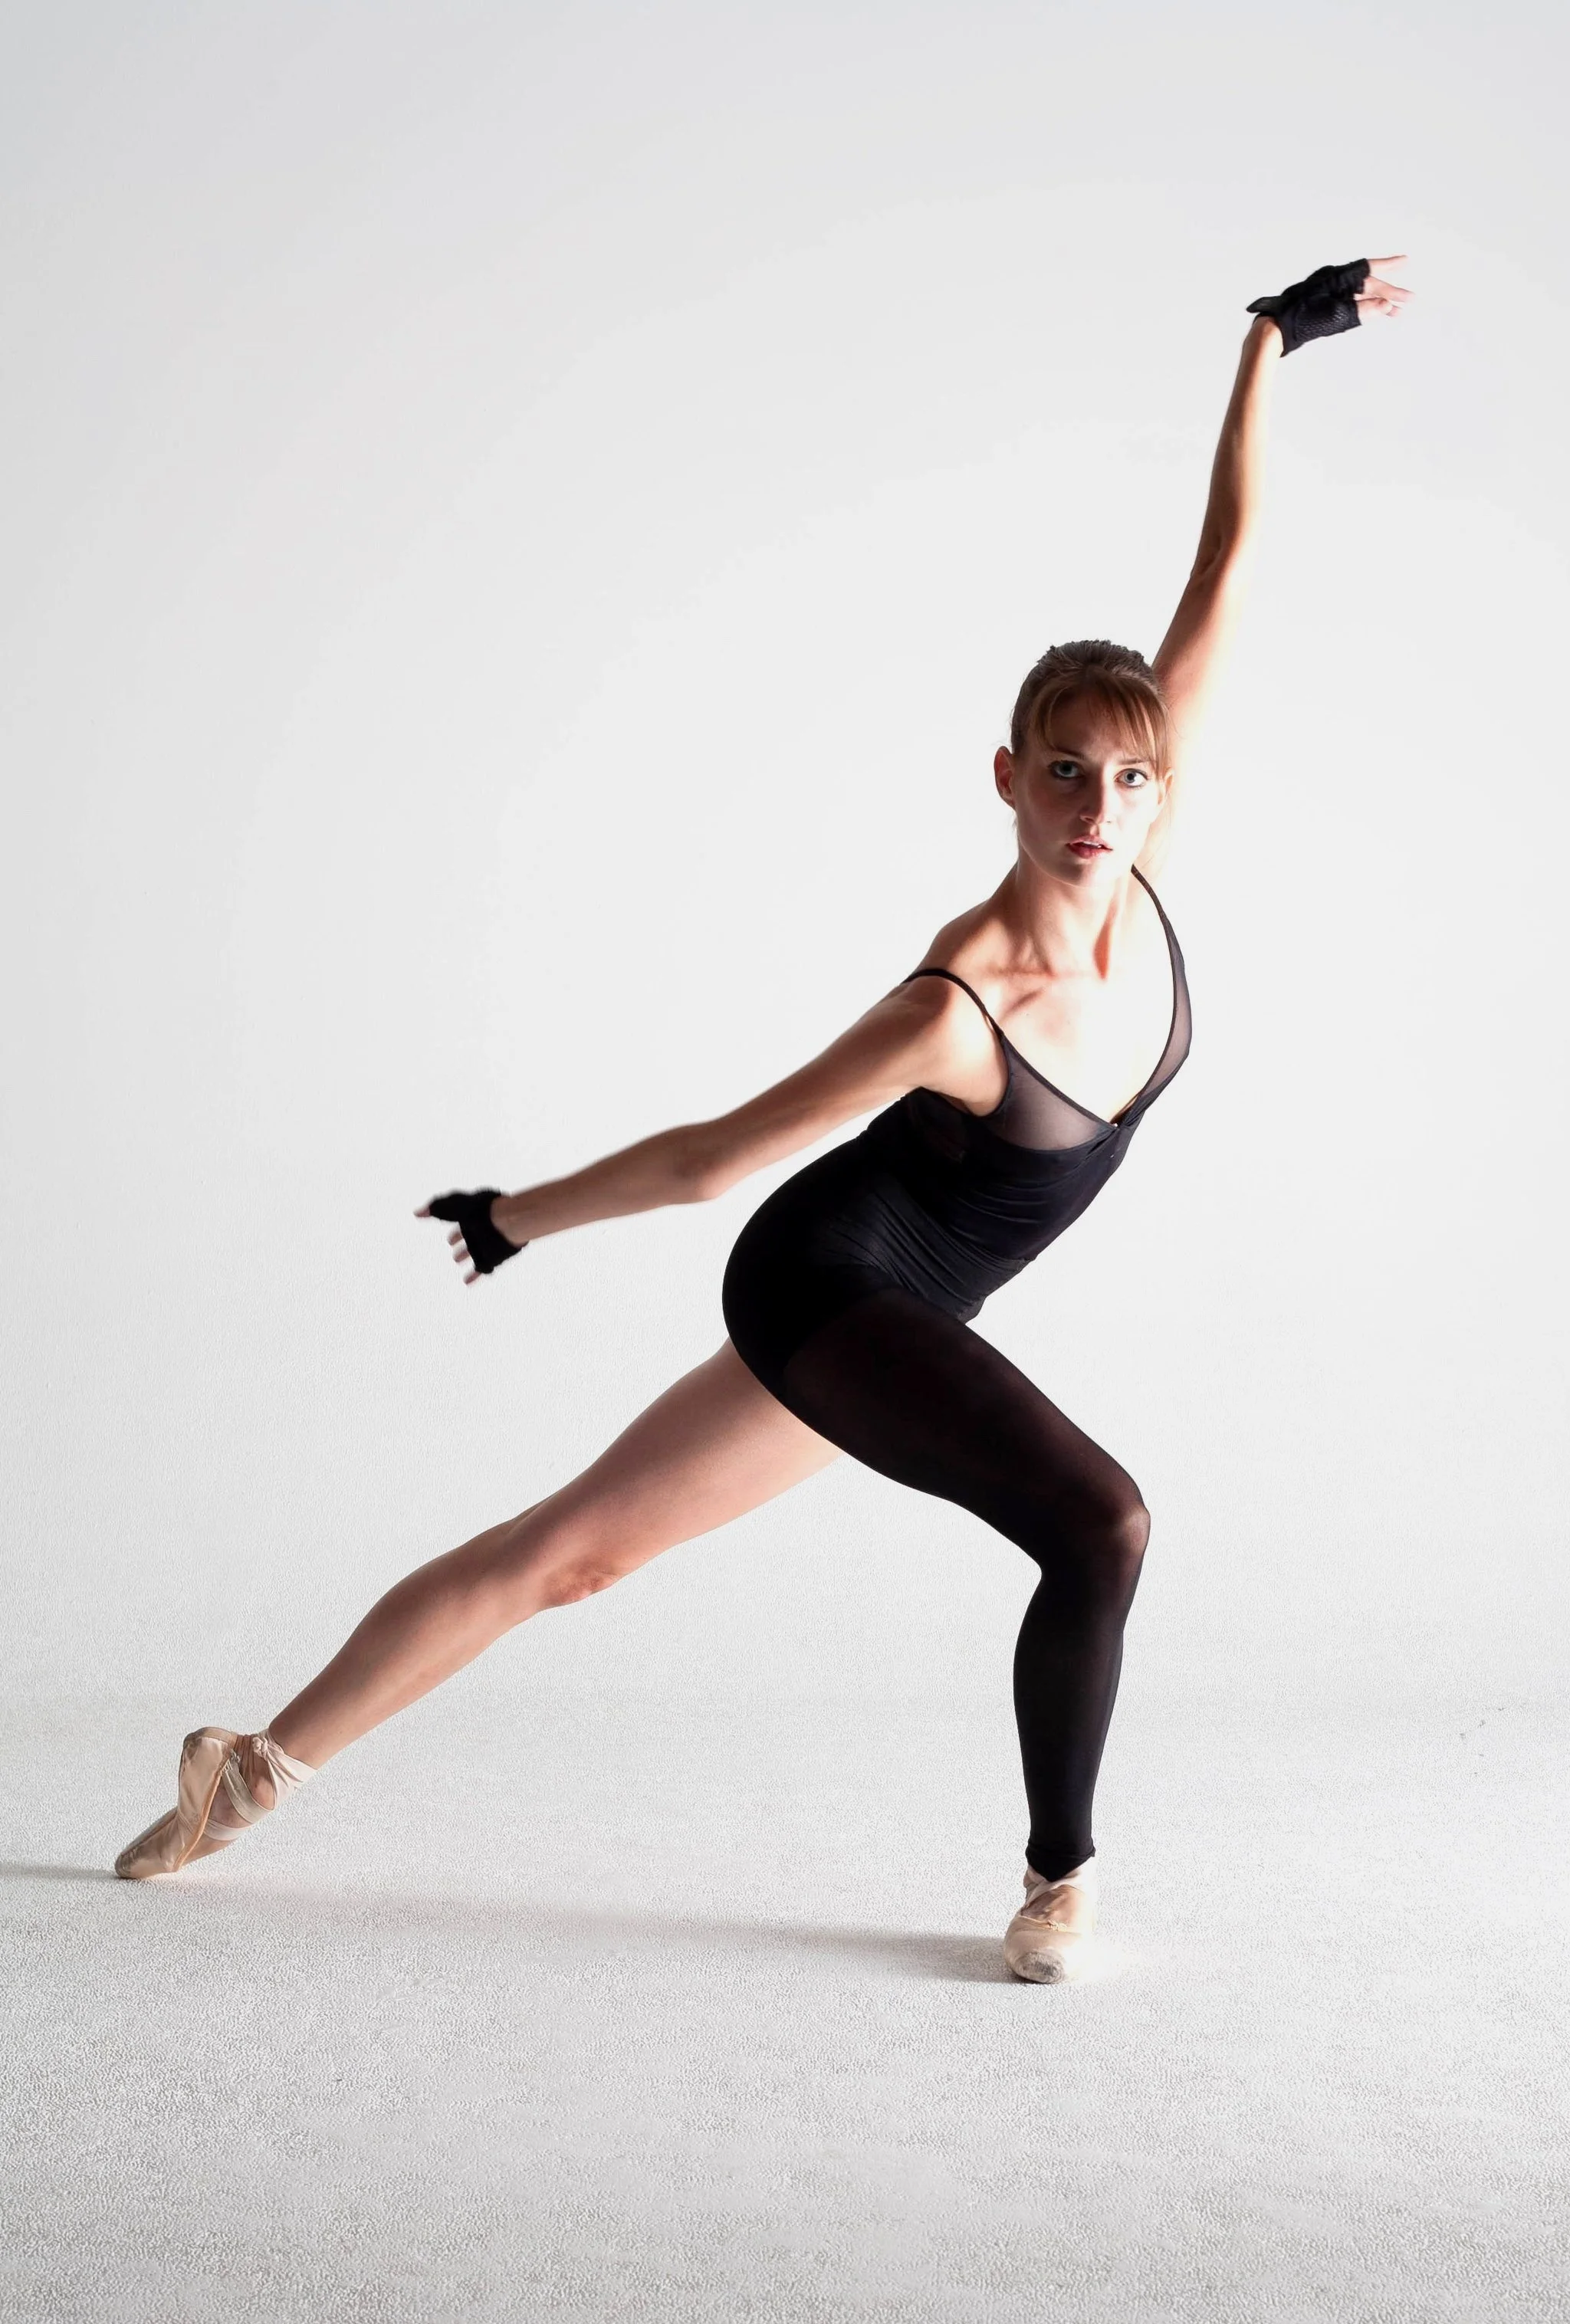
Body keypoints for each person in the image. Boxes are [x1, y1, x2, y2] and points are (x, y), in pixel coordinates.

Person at [115, 256, 1411, 1981]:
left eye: (1127, 775)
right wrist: (514, 1214)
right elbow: (719, 1158)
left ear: (1157, 781)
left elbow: (1226, 562)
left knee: (572, 1556)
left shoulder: (1145, 871)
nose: (1098, 805)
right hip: (823, 1283)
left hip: (913, 1308)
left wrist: (1269, 341)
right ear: (1007, 777)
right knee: (1100, 1521)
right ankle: (1060, 1883)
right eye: (1062, 772)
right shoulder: (957, 1006)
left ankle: (249, 1765)